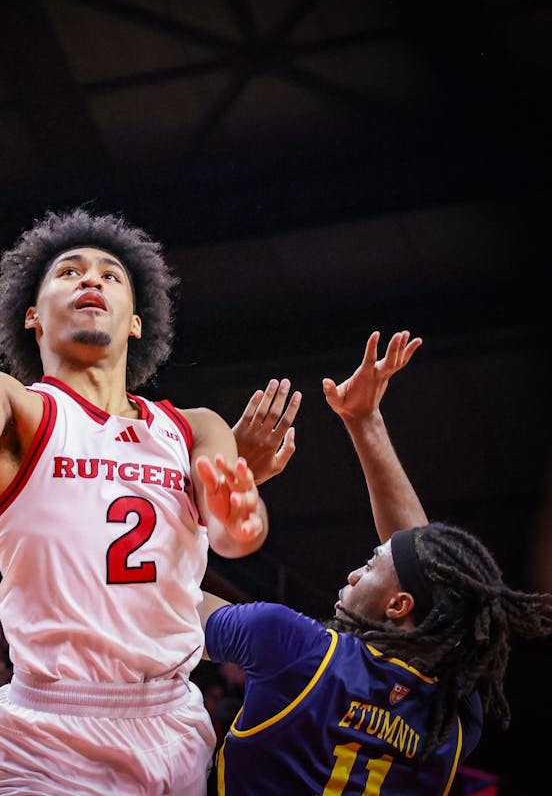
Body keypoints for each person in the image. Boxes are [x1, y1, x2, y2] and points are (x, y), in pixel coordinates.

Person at [0, 106, 298, 794]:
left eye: (111, 275)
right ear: (31, 312)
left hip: (175, 717)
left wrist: (242, 516)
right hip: (54, 731)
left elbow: (228, 540)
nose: (91, 279)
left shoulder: (194, 426)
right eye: (69, 271)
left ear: (138, 319)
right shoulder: (23, 416)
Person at [199, 330, 552, 794]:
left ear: (399, 605)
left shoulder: (296, 650)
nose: (352, 573)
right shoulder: (451, 721)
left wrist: (204, 505)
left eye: (369, 565)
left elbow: (150, 605)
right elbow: (424, 566)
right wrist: (364, 420)